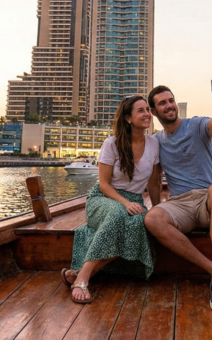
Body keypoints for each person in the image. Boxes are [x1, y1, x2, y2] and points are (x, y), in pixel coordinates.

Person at [144, 79, 212, 312]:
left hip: (208, 201)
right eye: (162, 103)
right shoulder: (155, 142)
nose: (169, 106)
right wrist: (158, 207)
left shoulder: (196, 125)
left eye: (171, 100)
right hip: (180, 204)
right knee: (151, 219)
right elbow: (153, 179)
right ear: (154, 111)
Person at [62, 96, 162, 304]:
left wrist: (159, 209)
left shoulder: (154, 144)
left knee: (136, 225)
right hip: (104, 197)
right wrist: (125, 203)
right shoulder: (112, 143)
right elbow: (105, 184)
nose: (147, 114)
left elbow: (153, 183)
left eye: (147, 110)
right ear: (127, 118)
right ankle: (83, 278)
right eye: (141, 111)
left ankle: (80, 271)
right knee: (119, 214)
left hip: (134, 200)